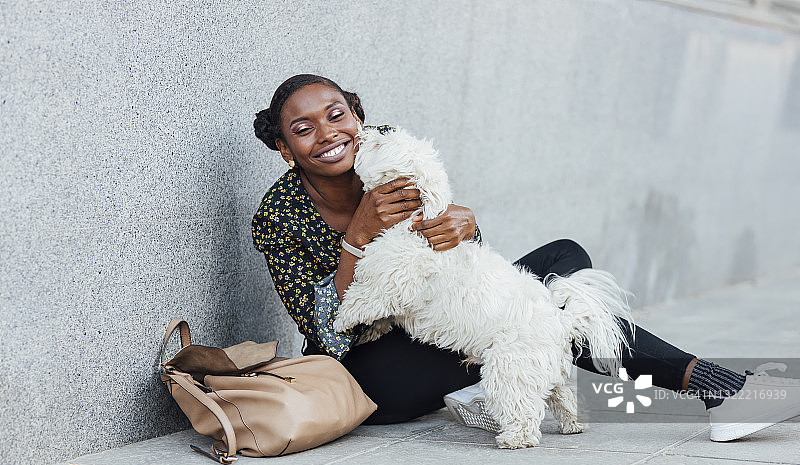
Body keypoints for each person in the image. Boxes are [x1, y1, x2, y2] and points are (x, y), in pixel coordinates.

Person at [251, 74, 800, 443]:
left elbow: (457, 270)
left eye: (337, 115)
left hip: (442, 325)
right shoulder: (278, 214)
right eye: (304, 130)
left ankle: (496, 379)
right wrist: (359, 236)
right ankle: (720, 389)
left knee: (564, 260)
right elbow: (329, 332)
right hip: (377, 371)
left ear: (359, 114)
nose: (329, 135)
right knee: (545, 310)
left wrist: (465, 227)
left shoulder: (388, 151)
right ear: (285, 148)